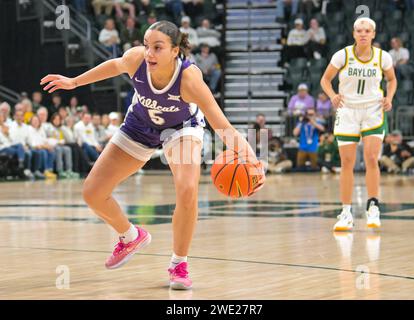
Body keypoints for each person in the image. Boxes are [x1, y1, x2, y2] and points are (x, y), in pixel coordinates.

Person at [40, 20, 265, 290]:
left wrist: (252, 160)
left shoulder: (190, 79)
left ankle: (179, 263)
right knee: (92, 192)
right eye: (147, 45)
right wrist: (74, 82)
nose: (149, 53)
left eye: (158, 47)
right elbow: (114, 65)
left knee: (187, 189)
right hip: (139, 125)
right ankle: (130, 236)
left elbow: (222, 126)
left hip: (181, 129)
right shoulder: (136, 59)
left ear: (175, 51)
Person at [320, 17, 397, 231]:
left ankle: (373, 207)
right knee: (346, 162)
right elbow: (325, 80)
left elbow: (392, 80)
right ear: (354, 34)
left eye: (367, 31)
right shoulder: (342, 55)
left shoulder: (383, 57)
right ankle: (346, 212)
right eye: (359, 30)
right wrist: (332, 95)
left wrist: (389, 97)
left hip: (373, 110)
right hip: (347, 110)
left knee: (372, 158)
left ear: (373, 34)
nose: (363, 34)